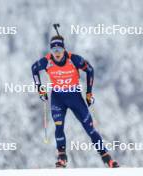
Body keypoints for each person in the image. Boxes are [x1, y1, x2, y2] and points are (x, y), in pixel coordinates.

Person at [31, 35, 119, 168]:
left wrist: (89, 93)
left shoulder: (74, 59)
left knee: (90, 128)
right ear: (50, 51)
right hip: (58, 99)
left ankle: (107, 158)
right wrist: (40, 90)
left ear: (64, 49)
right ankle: (62, 158)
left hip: (75, 98)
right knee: (58, 126)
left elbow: (90, 70)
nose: (57, 54)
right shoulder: (47, 61)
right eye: (54, 51)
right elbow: (34, 69)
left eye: (59, 50)